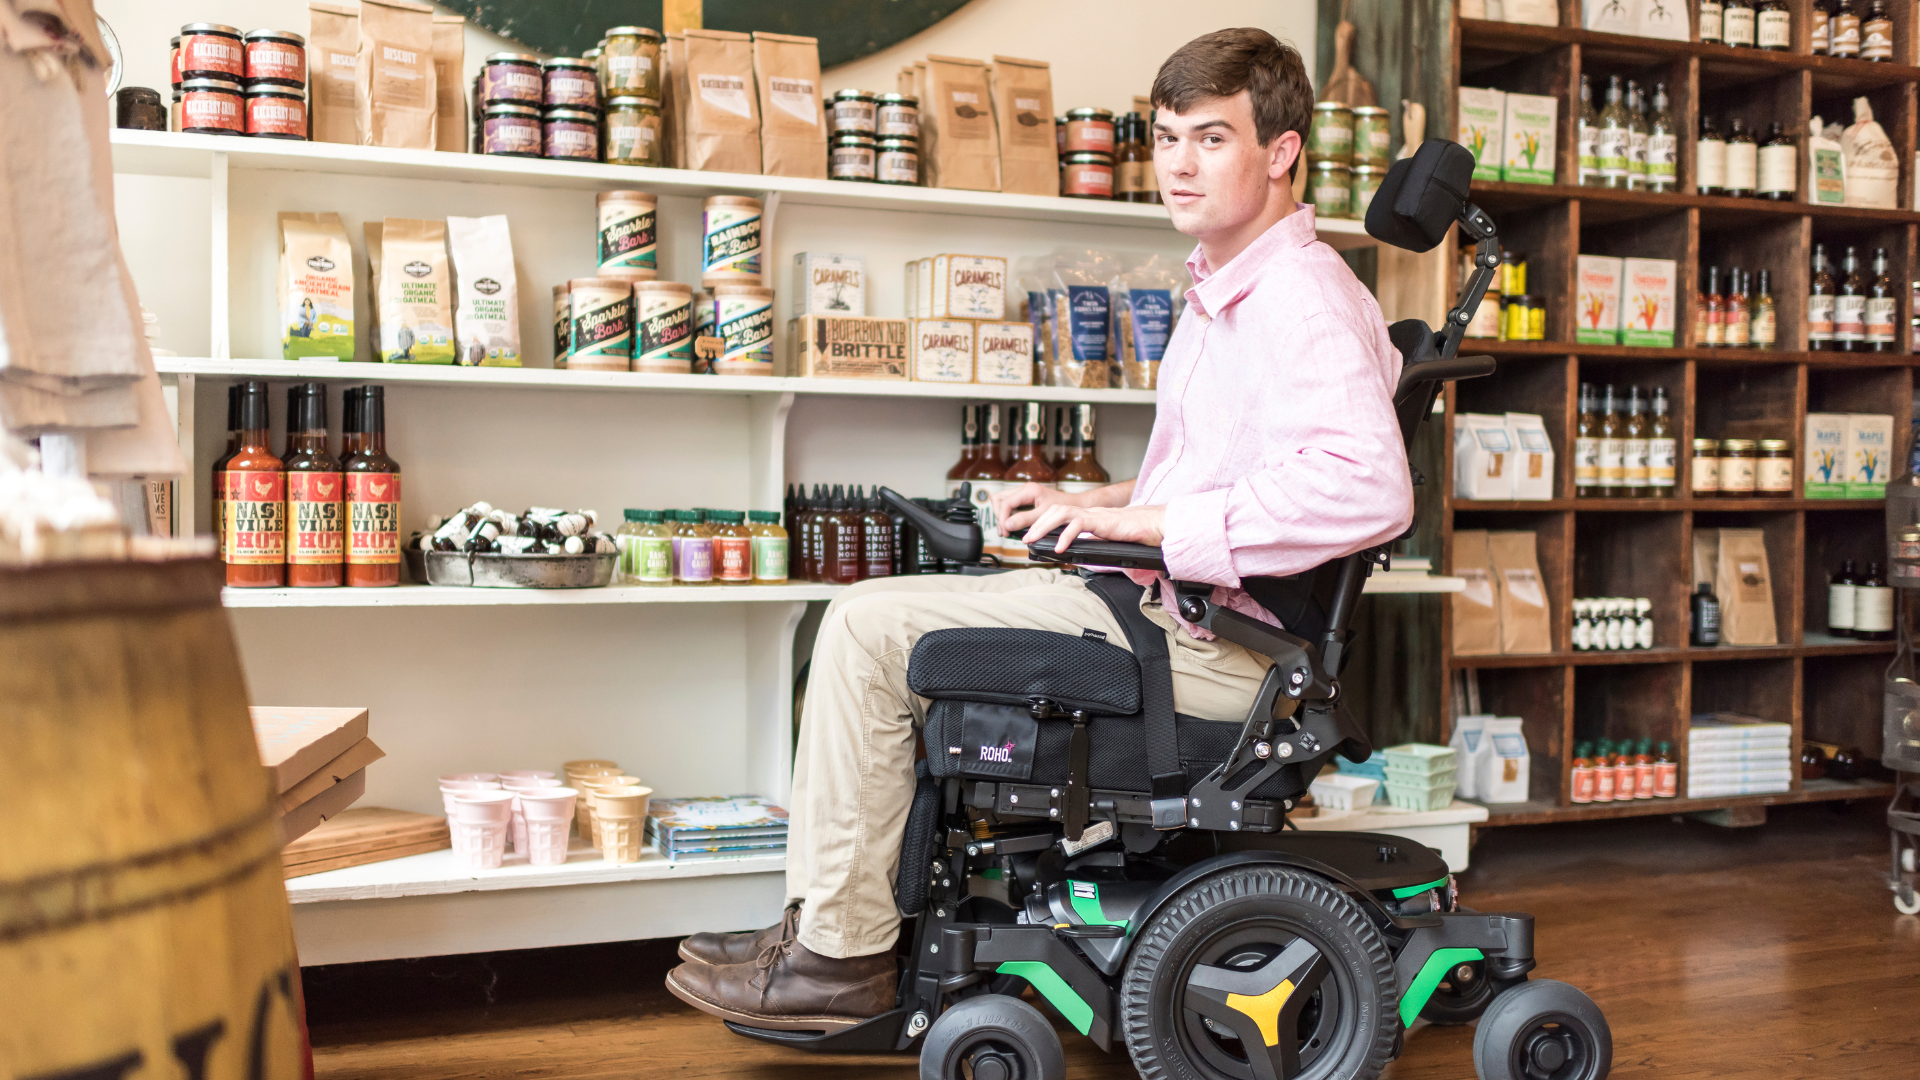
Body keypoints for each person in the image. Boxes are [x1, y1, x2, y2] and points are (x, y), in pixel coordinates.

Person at [664, 26, 1414, 1031]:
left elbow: (1368, 488)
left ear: (1279, 152)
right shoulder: (1226, 289)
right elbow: (1235, 477)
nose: (1179, 166)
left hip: (1217, 650)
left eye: (1212, 140)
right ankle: (830, 928)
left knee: (864, 631)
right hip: (1168, 608)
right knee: (873, 615)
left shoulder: (1299, 298)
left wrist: (1148, 526)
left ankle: (840, 960)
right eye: (1166, 139)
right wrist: (1093, 506)